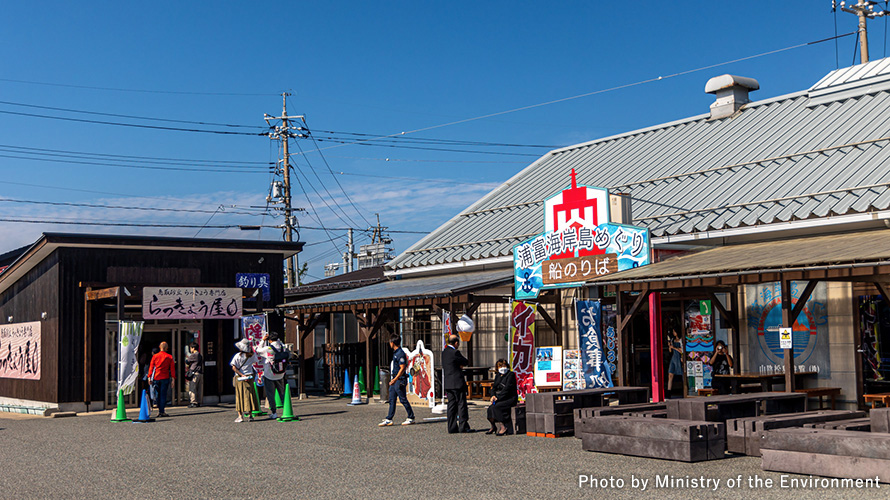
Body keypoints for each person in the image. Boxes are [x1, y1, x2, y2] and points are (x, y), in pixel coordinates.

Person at [379, 335, 415, 427]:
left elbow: (402, 368)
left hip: (399, 380)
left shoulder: (400, 353)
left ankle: (411, 417)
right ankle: (389, 418)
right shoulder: (396, 353)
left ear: (393, 343)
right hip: (394, 379)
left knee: (403, 399)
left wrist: (395, 379)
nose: (389, 344)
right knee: (392, 399)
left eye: (390, 342)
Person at [442, 334, 470, 433]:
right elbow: (465, 361)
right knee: (461, 404)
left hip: (448, 383)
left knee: (451, 405)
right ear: (456, 343)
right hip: (457, 382)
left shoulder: (444, 352)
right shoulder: (455, 352)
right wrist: (460, 365)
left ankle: (452, 427)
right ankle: (463, 426)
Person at [255, 331, 287, 419]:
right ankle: (286, 409)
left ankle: (274, 412)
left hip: (269, 374)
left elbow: (257, 350)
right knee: (282, 393)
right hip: (281, 373)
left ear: (269, 340)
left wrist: (262, 340)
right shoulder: (282, 346)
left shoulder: (268, 348)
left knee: (270, 394)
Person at [486, 359, 517, 436]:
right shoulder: (498, 376)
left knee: (497, 407)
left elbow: (507, 389)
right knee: (490, 408)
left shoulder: (511, 375)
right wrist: (493, 395)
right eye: (500, 366)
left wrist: (498, 398)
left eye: (504, 365)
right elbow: (494, 388)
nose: (502, 368)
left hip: (509, 398)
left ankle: (503, 426)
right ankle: (493, 426)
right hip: (499, 397)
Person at [231, 338, 259, 422]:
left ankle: (240, 416)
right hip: (249, 376)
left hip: (240, 377)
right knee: (249, 395)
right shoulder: (252, 355)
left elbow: (234, 367)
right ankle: (250, 415)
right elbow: (256, 362)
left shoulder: (237, 356)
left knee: (239, 396)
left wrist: (241, 374)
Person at [147, 342, 175, 417]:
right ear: (167, 348)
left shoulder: (155, 356)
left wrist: (149, 377)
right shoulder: (169, 357)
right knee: (163, 395)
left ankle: (158, 408)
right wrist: (173, 379)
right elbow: (172, 369)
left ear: (159, 347)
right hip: (165, 377)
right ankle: (161, 411)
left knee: (157, 394)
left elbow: (151, 367)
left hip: (156, 377)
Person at [185, 342, 204, 408]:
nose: (190, 350)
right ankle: (199, 401)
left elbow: (187, 361)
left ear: (193, 348)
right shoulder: (200, 355)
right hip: (200, 373)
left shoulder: (194, 355)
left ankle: (193, 402)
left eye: (191, 348)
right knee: (199, 388)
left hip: (194, 373)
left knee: (192, 388)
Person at [667, 328, 684, 396]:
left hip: (679, 357)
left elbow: (682, 350)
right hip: (674, 357)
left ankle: (685, 389)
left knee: (683, 374)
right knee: (670, 374)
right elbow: (670, 351)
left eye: (674, 331)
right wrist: (670, 347)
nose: (673, 333)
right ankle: (669, 391)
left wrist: (673, 347)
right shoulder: (673, 340)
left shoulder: (681, 340)